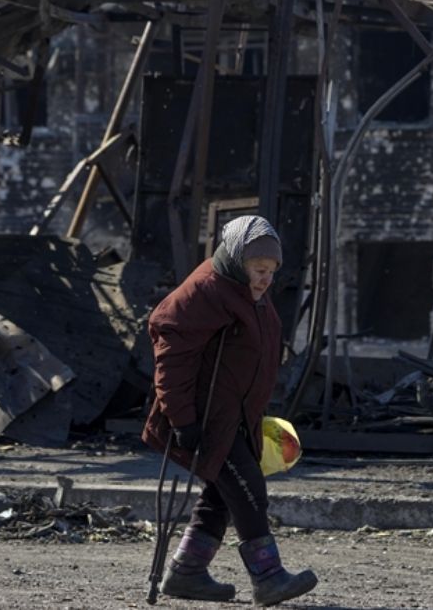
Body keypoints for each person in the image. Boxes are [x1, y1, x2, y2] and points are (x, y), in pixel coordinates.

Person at [141, 215, 317, 606]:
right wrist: (182, 419)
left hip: (237, 416)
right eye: (259, 270)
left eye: (271, 271)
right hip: (206, 418)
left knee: (223, 495)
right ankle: (269, 576)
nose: (265, 279)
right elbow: (171, 353)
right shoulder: (206, 290)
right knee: (248, 489)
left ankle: (186, 572)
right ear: (237, 260)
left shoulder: (247, 289)